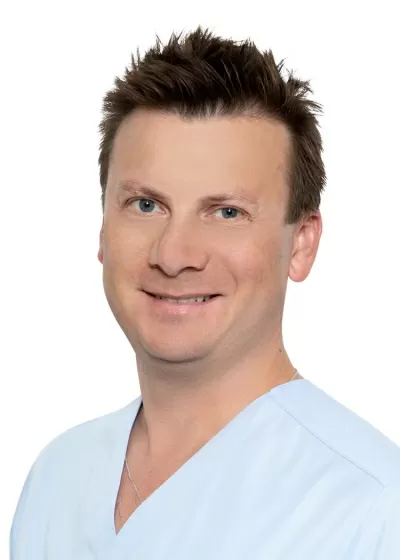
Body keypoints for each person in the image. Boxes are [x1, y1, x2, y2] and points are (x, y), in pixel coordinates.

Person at [9, 25, 400, 560]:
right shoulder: (58, 477)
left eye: (227, 212)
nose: (174, 255)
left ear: (301, 244)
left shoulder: (375, 508)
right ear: (102, 228)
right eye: (146, 205)